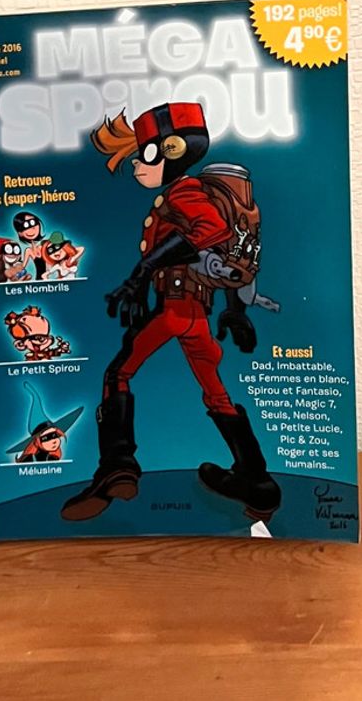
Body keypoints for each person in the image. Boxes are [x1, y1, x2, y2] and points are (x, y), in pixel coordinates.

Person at [61, 102, 280, 523]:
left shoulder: (182, 192)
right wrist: (234, 309)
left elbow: (212, 231)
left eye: (144, 155)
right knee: (215, 393)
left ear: (172, 152)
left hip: (176, 309)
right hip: (195, 312)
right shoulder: (186, 193)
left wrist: (141, 274)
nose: (137, 166)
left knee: (118, 374)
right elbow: (214, 255)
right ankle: (258, 482)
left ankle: (117, 465)